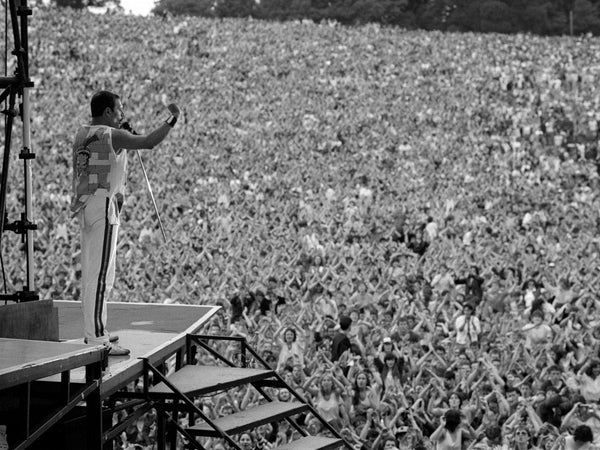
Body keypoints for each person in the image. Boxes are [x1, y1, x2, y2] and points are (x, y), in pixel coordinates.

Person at [71, 90, 180, 355]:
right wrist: (172, 119)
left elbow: (106, 164)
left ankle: (96, 331)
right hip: (104, 208)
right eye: (119, 110)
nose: (122, 114)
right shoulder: (113, 135)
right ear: (108, 112)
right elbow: (149, 142)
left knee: (95, 273)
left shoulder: (82, 132)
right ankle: (97, 339)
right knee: (100, 277)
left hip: (87, 205)